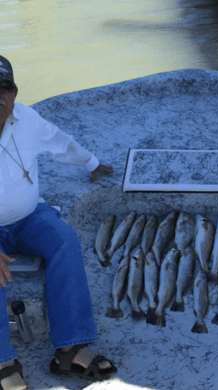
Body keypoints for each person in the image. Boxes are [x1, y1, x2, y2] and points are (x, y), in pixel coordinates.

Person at [0, 55, 117, 390]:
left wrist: (91, 163)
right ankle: (3, 361)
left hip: (28, 216)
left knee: (65, 240)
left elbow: (61, 143)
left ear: (14, 92)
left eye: (3, 87)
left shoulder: (27, 120)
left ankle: (71, 348)